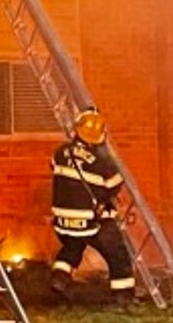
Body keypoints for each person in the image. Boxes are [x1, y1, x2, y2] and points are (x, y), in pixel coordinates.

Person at [49, 107, 136, 299]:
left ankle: (59, 277)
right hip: (91, 219)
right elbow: (115, 184)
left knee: (72, 247)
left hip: (62, 220)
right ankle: (124, 295)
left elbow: (54, 167)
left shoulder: (60, 152)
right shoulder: (102, 160)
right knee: (117, 253)